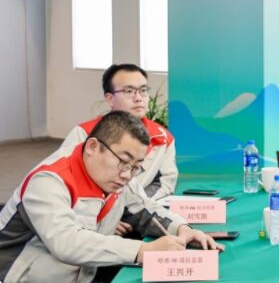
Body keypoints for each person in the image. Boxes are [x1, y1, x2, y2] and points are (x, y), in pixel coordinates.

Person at [0, 111, 221, 283]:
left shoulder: (118, 177)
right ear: (92, 146)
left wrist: (182, 228)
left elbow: (145, 209)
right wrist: (142, 250)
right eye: (123, 161)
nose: (127, 174)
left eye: (136, 166)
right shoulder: (48, 181)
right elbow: (67, 243)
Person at [58, 64, 177, 235]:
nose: (138, 98)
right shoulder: (84, 134)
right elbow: (66, 184)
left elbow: (164, 182)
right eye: (129, 91)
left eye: (143, 90)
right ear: (110, 99)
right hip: (87, 220)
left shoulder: (163, 137)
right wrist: (106, 216)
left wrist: (126, 210)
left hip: (134, 212)